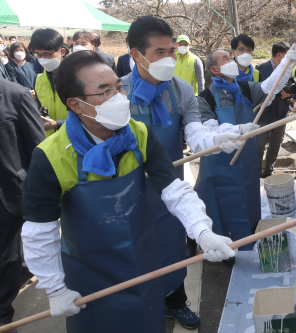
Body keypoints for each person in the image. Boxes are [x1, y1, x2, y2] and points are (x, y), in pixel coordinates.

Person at [20, 51, 235, 333]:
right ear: (76, 104)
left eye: (118, 88)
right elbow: (40, 230)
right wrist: (54, 288)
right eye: (104, 91)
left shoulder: (138, 133)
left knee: (147, 320)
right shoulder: (51, 156)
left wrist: (202, 231)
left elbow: (174, 189)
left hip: (141, 259)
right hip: (90, 272)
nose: (119, 97)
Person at [122, 16, 248, 328]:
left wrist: (216, 139)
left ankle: (175, 302)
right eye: (158, 53)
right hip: (126, 191)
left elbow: (195, 136)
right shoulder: (116, 92)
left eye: (171, 51)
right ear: (136, 55)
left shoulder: (180, 90)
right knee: (132, 251)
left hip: (169, 187)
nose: (168, 59)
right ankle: (140, 308)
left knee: (171, 245)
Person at [196, 45, 296, 262]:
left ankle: (249, 241)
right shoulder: (206, 97)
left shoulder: (244, 89)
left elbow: (270, 87)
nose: (232, 59)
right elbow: (209, 131)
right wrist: (237, 131)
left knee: (248, 202)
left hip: (247, 162)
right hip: (220, 164)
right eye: (225, 58)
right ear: (214, 70)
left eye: (230, 56)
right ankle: (225, 249)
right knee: (222, 207)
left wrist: (287, 64)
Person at [0, 78, 45, 332]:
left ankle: (3, 315)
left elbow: (37, 146)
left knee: (5, 255)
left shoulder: (15, 95)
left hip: (7, 191)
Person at [256, 41, 296, 178]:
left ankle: (269, 170)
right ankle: (257, 170)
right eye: (288, 54)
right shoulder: (261, 68)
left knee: (276, 144)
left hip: (281, 113)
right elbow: (257, 89)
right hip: (264, 114)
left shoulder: (293, 68)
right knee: (259, 144)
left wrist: (291, 95)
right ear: (280, 55)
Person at [31, 28, 69, 136]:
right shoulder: (38, 79)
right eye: (38, 55)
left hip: (74, 140)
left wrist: (57, 124)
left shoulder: (77, 77)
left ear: (61, 52)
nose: (42, 59)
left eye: (46, 54)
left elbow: (88, 117)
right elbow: (40, 108)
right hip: (49, 141)